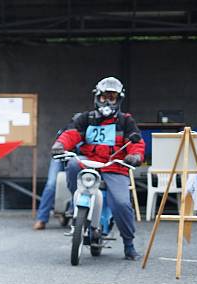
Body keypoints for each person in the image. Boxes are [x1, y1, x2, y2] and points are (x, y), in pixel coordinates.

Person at [51, 76, 145, 260]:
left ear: (119, 99)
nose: (107, 101)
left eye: (112, 97)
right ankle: (75, 199)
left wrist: (135, 156)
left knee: (121, 203)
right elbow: (71, 134)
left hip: (114, 165)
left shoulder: (126, 121)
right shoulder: (85, 118)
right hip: (89, 162)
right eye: (103, 97)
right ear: (96, 98)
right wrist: (60, 145)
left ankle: (129, 244)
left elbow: (136, 141)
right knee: (71, 163)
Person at [33, 114, 81, 230]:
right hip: (60, 157)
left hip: (79, 158)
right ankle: (41, 219)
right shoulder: (66, 130)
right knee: (51, 184)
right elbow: (57, 145)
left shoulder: (91, 130)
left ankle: (76, 215)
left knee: (81, 185)